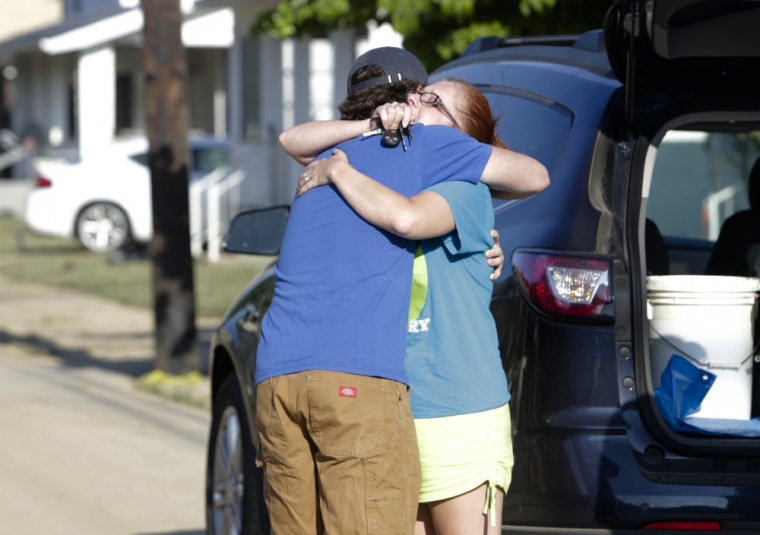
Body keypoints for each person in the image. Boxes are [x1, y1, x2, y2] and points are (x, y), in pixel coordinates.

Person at [256, 47, 549, 535]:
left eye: (433, 100)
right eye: (421, 92)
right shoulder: (389, 158)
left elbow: (410, 217)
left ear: (464, 135)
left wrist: (340, 170)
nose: (419, 102)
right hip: (394, 404)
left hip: (454, 409)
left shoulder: (453, 177)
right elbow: (295, 140)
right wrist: (368, 132)